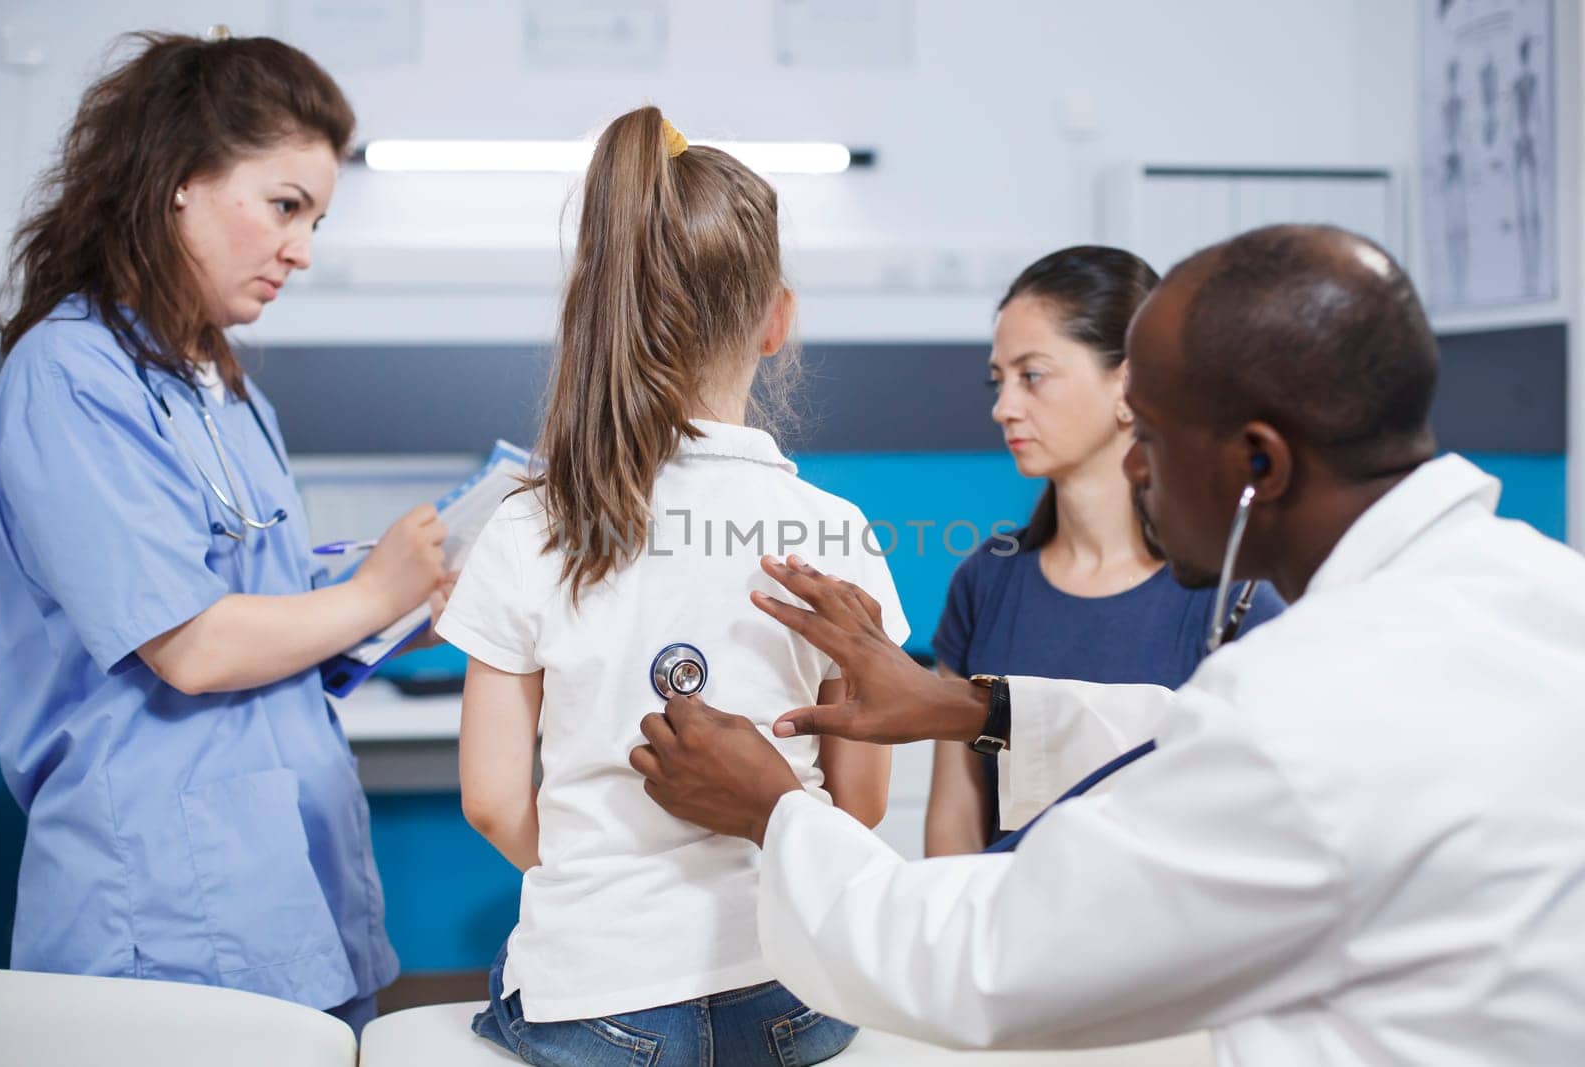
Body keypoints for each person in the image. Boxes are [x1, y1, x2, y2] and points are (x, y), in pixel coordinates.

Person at [629, 225, 1585, 1063]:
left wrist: (776, 812)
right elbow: (1182, 731)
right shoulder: (1540, 592)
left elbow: (982, 958)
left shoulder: (1301, 707)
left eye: (1155, 435)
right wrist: (979, 708)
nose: (1135, 459)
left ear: (1258, 462)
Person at [0, 31, 452, 1035]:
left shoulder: (227, 392)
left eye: (316, 218)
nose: (303, 250)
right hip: (161, 914)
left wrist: (414, 608)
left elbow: (277, 622)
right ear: (177, 182)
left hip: (289, 887)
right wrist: (374, 590)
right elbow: (192, 645)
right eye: (285, 205)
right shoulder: (70, 378)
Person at [434, 106, 907, 1067]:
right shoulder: (833, 532)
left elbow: (490, 799)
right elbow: (858, 804)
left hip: (593, 997)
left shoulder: (531, 522)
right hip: (792, 993)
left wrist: (597, 879)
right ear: (779, 319)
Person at [927, 247, 1280, 854]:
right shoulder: (985, 582)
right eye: (999, 380)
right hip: (1005, 940)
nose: (1004, 406)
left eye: (1032, 375)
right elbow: (956, 820)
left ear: (1128, 385)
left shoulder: (1236, 597)